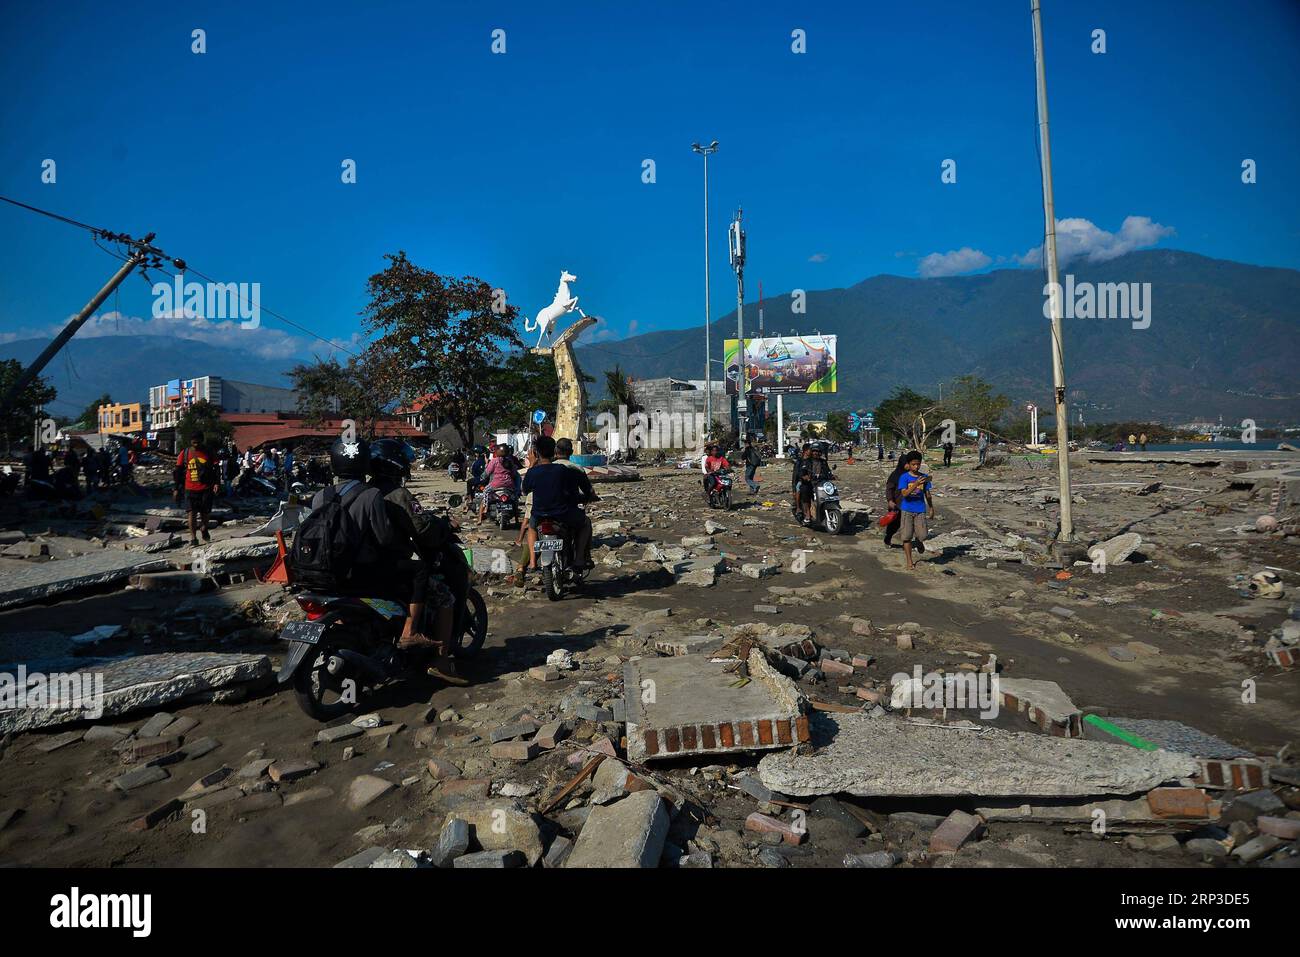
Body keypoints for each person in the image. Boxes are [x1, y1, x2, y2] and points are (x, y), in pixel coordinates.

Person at [368, 438, 467, 685]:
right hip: (393, 565)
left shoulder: (366, 491)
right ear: (395, 464)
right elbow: (423, 529)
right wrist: (444, 526)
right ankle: (441, 661)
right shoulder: (398, 493)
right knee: (445, 596)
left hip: (367, 566)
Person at [521, 435, 595, 575]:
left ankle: (532, 562)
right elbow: (577, 489)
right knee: (585, 523)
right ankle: (579, 558)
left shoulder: (533, 472)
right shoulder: (562, 470)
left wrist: (531, 465)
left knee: (531, 528)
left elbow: (524, 490)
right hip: (562, 514)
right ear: (554, 451)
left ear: (536, 453)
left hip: (539, 515)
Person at [896, 451, 934, 570]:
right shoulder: (904, 477)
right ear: (909, 464)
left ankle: (919, 541)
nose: (916, 467)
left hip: (920, 510)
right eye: (913, 464)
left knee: (923, 535)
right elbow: (905, 494)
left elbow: (927, 494)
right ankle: (909, 561)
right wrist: (915, 484)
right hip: (907, 509)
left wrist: (931, 507)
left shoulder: (924, 477)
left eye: (918, 464)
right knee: (906, 536)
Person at [175, 434, 215, 546]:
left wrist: (216, 483)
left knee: (205, 512)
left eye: (198, 442)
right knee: (191, 513)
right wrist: (176, 488)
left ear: (202, 441)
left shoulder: (209, 452)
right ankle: (193, 538)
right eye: (194, 443)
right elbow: (178, 471)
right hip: (190, 488)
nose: (196, 445)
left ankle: (204, 528)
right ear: (190, 442)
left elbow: (215, 468)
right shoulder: (185, 453)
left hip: (206, 487)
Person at [478, 443, 520, 523]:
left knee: (485, 492)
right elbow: (514, 473)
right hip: (509, 485)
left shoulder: (495, 461)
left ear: (497, 452)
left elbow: (487, 472)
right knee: (515, 497)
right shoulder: (510, 461)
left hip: (496, 484)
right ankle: (516, 517)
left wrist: (482, 477)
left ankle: (484, 510)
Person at [882, 451, 908, 548]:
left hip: (908, 504)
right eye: (906, 463)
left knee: (908, 524)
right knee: (894, 524)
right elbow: (889, 489)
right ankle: (888, 538)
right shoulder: (895, 475)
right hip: (897, 504)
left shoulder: (911, 474)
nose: (908, 465)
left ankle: (907, 543)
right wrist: (890, 501)